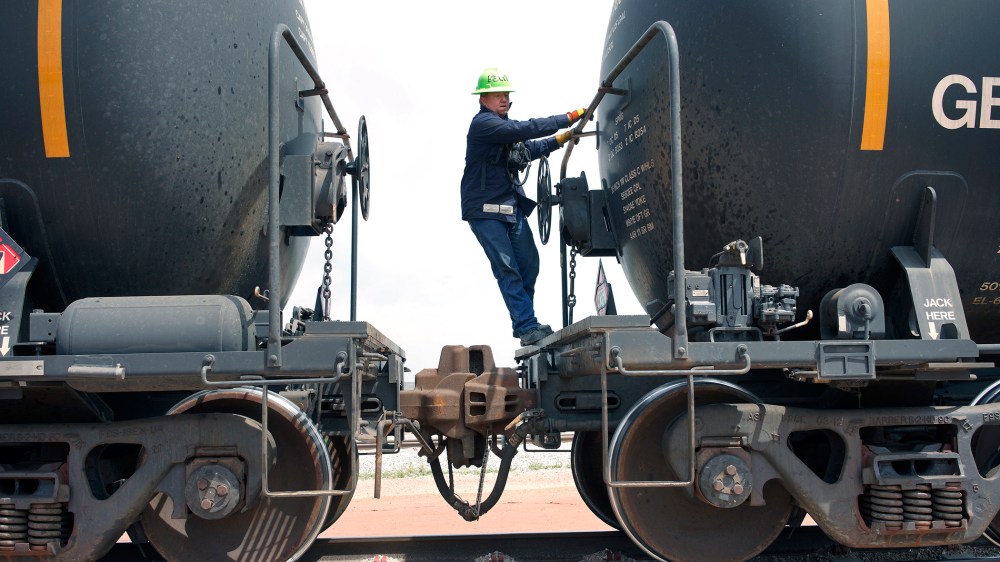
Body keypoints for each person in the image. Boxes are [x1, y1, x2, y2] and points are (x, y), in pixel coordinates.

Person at [460, 67, 587, 346]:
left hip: (509, 206)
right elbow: (523, 129)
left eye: (506, 94)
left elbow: (528, 149)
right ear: (483, 99)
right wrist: (566, 119)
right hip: (484, 209)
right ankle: (527, 324)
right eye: (497, 95)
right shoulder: (484, 125)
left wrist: (560, 140)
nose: (503, 99)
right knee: (507, 267)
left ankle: (523, 321)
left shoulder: (505, 133)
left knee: (529, 262)